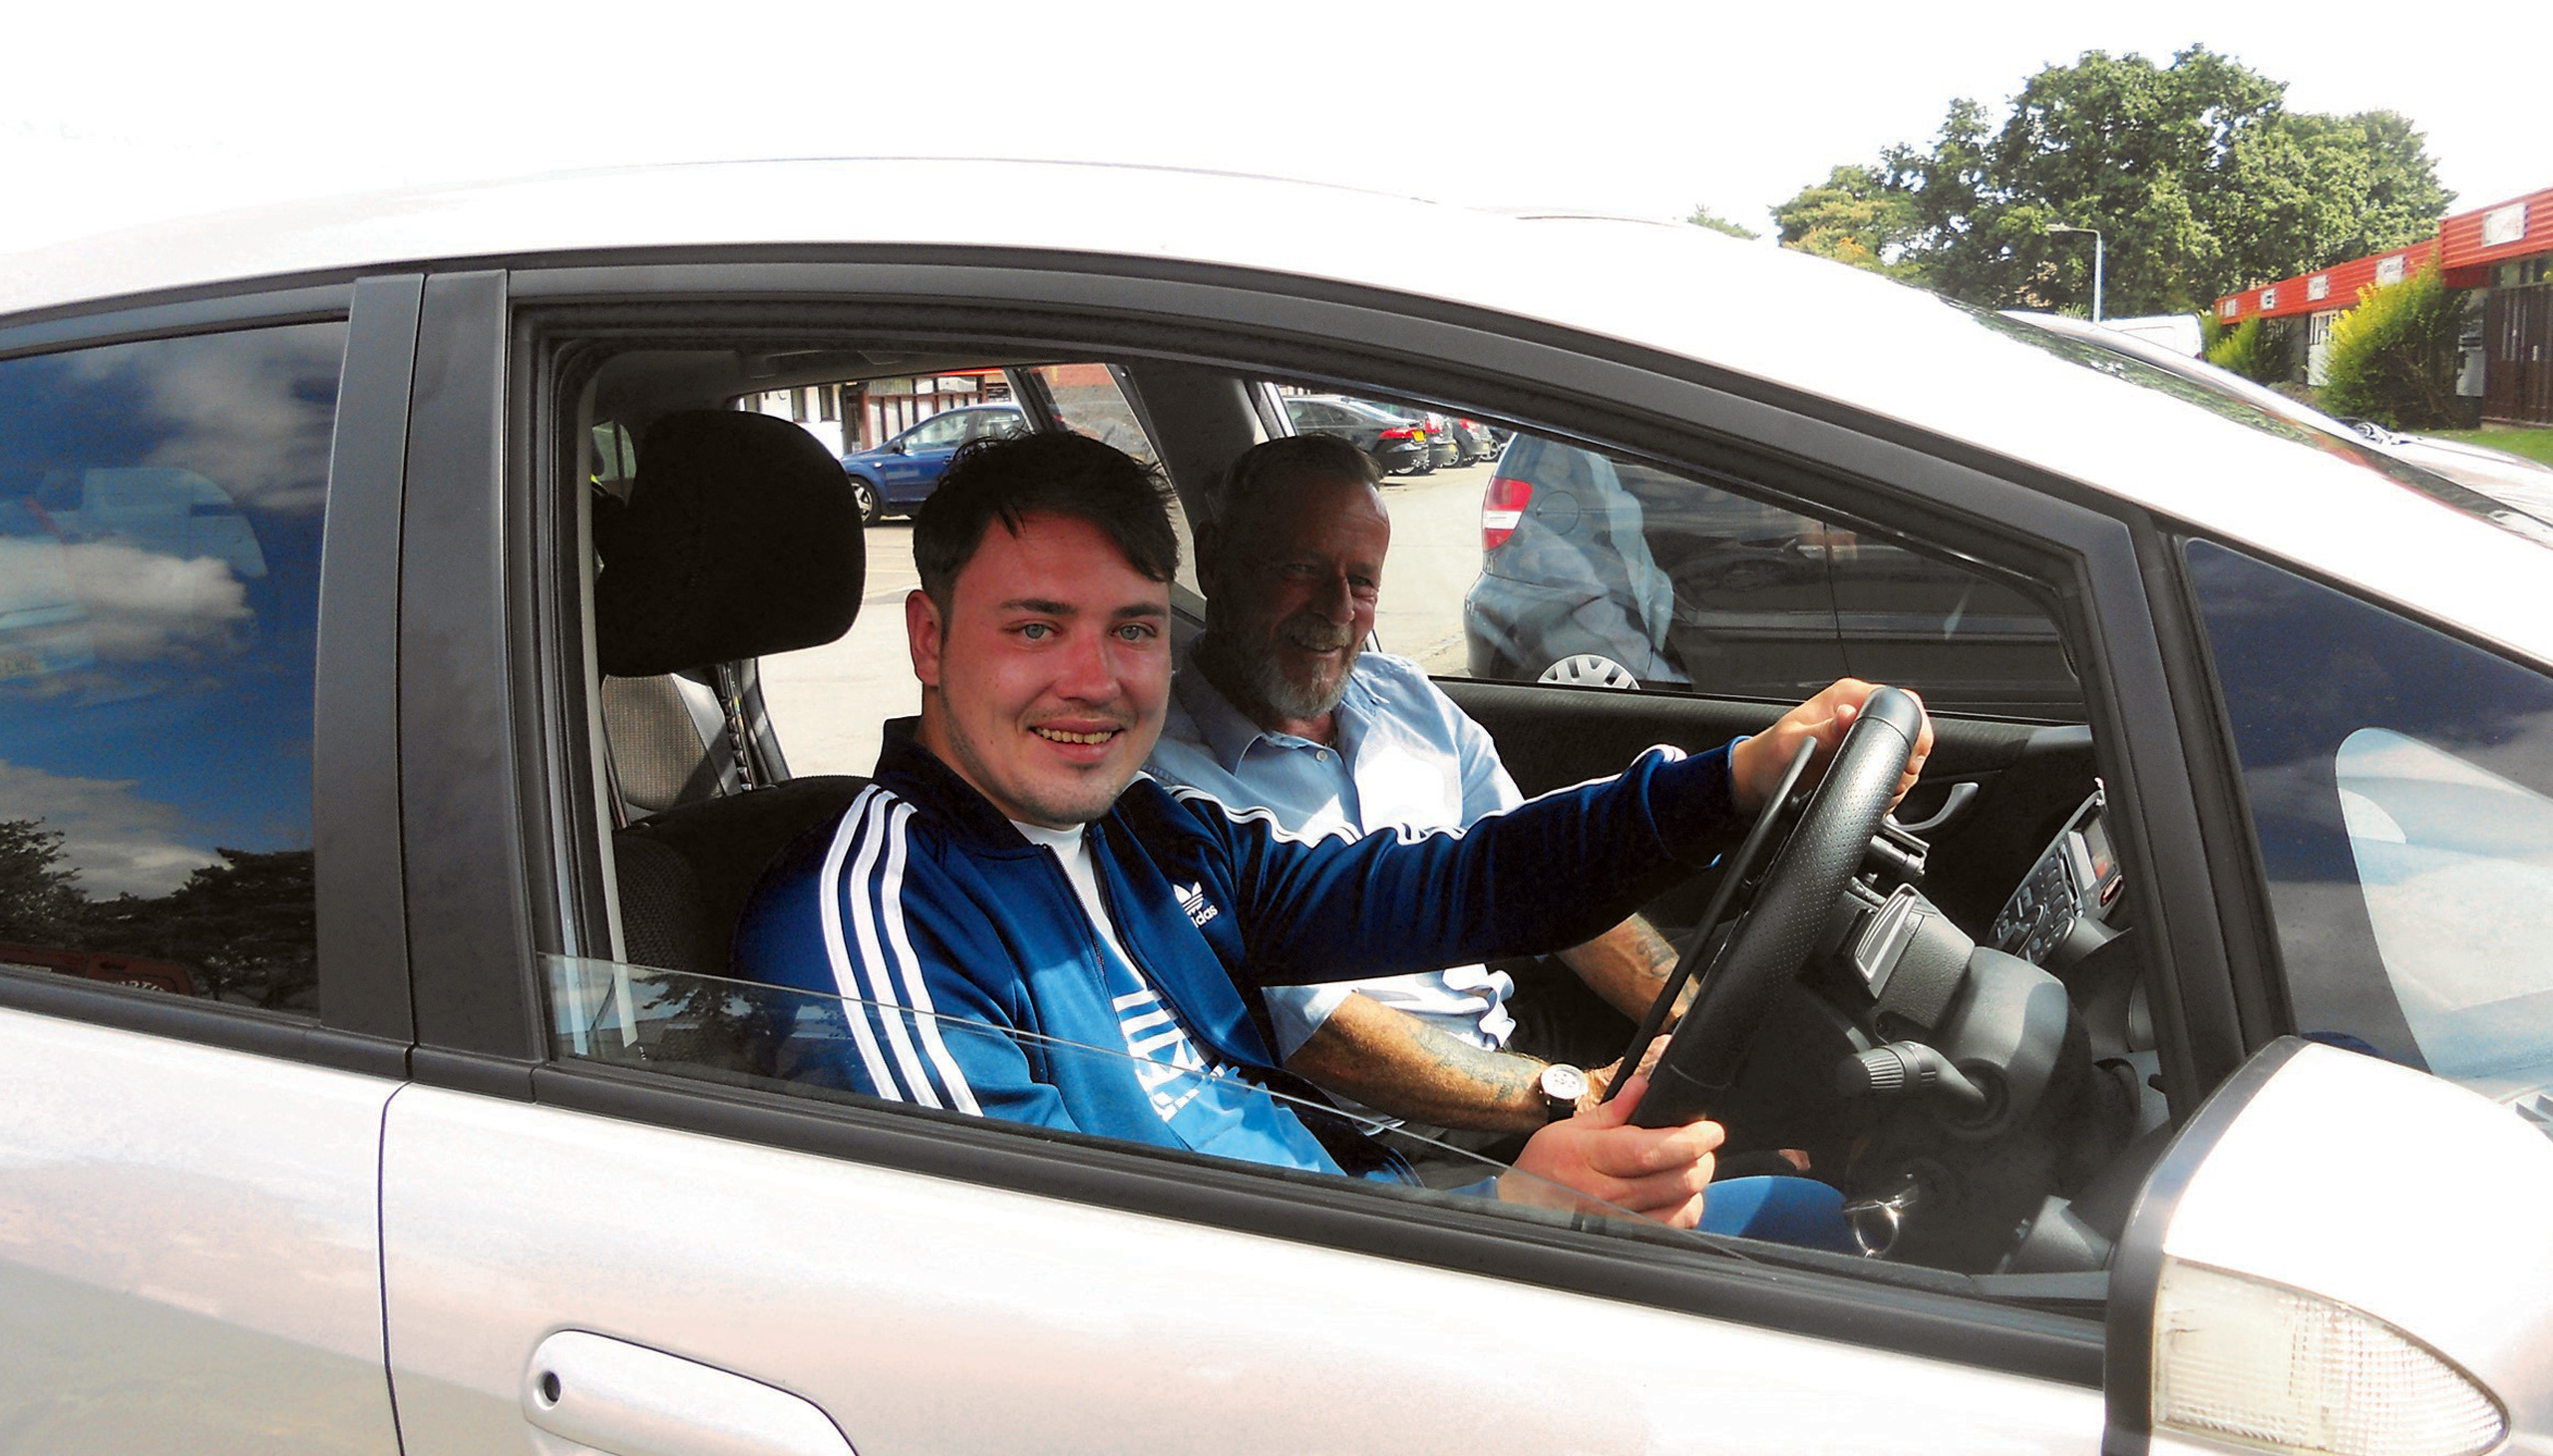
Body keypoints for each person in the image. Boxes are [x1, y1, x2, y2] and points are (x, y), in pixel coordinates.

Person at [734, 433, 1929, 1228]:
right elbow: (1039, 1289)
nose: (1094, 680)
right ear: (930, 640)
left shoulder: (1151, 834)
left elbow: (1472, 878)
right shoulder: (878, 913)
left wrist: (1731, 778)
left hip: (1351, 1239)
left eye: (1135, 628)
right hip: (1302, 1320)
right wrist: (1505, 1218)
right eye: (1036, 627)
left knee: (1817, 1228)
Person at [1146, 435, 1697, 1156]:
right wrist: (1581, 1096)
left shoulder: (1403, 696)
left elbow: (1544, 876)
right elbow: (1316, 1032)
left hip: (1513, 1049)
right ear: (1214, 561)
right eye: (1301, 569)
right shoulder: (1159, 779)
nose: (1338, 609)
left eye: (1362, 581)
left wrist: (1686, 1021)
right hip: (1389, 1137)